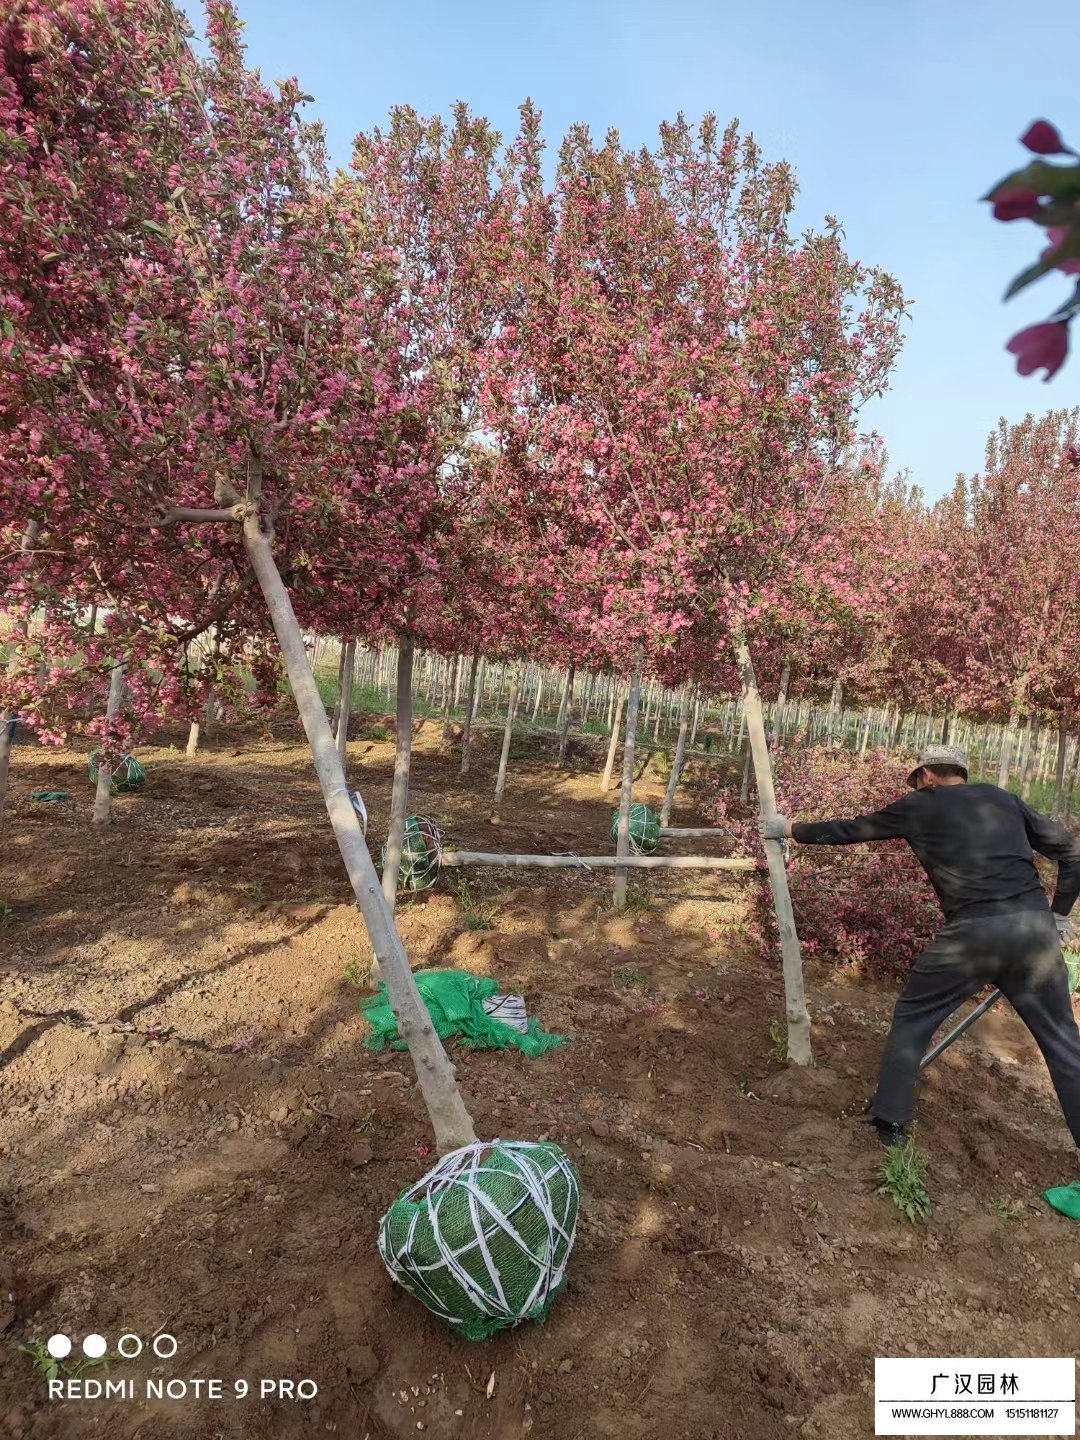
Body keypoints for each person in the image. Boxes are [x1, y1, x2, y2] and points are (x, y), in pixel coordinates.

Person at [760, 744, 1080, 1151]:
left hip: (971, 935)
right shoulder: (1004, 800)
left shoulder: (920, 805)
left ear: (927, 775)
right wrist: (1061, 913)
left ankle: (889, 1122)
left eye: (916, 780)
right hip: (1035, 934)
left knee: (914, 1016)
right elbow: (1072, 852)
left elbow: (851, 829)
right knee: (1063, 1043)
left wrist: (789, 829)